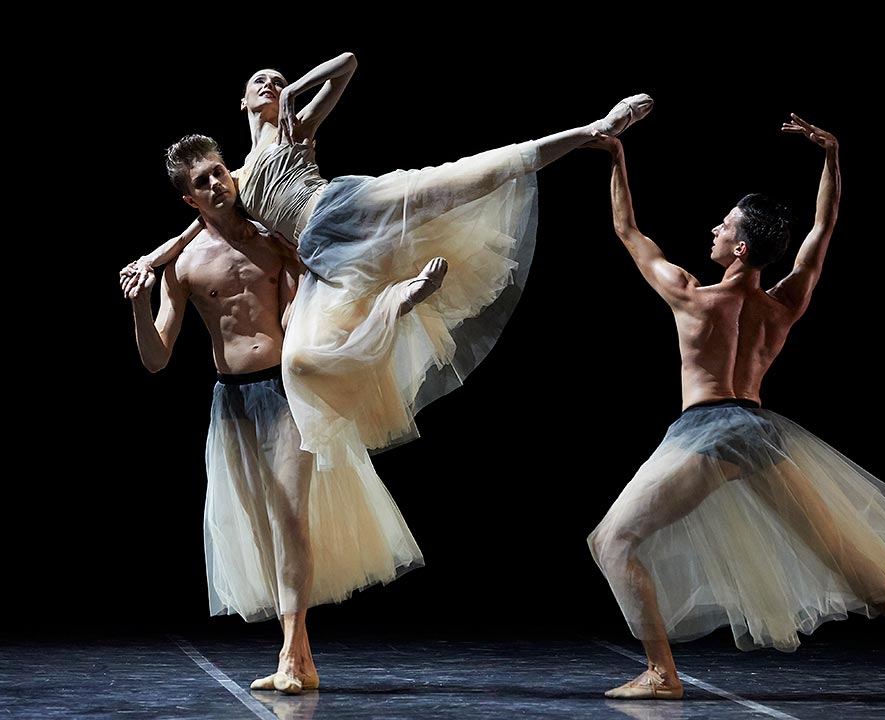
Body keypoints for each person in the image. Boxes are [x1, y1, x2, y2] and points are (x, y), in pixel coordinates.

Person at [584, 115, 885, 700]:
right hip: (763, 431)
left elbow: (627, 231)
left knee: (611, 541)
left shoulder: (692, 297)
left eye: (722, 225)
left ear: (738, 247)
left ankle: (663, 675)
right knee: (841, 551)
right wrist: (832, 158)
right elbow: (823, 229)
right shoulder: (782, 304)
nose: (712, 229)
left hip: (708, 428)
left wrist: (615, 157)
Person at [122, 52, 654, 471]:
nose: (270, 83)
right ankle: (396, 301)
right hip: (320, 255)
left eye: (275, 78)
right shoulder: (228, 177)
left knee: (453, 180)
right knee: (303, 359)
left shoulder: (295, 127)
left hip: (339, 205)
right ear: (240, 102)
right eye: (259, 80)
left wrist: (296, 91)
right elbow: (197, 223)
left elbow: (349, 63)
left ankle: (594, 129)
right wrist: (151, 257)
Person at [123, 134, 422, 695]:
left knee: (289, 518)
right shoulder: (182, 265)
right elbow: (158, 357)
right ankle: (301, 662)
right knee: (265, 525)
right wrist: (141, 306)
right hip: (232, 401)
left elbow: (327, 279)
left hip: (284, 389)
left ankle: (290, 655)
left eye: (217, 172)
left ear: (228, 170)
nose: (215, 185)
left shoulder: (270, 237)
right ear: (189, 199)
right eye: (201, 183)